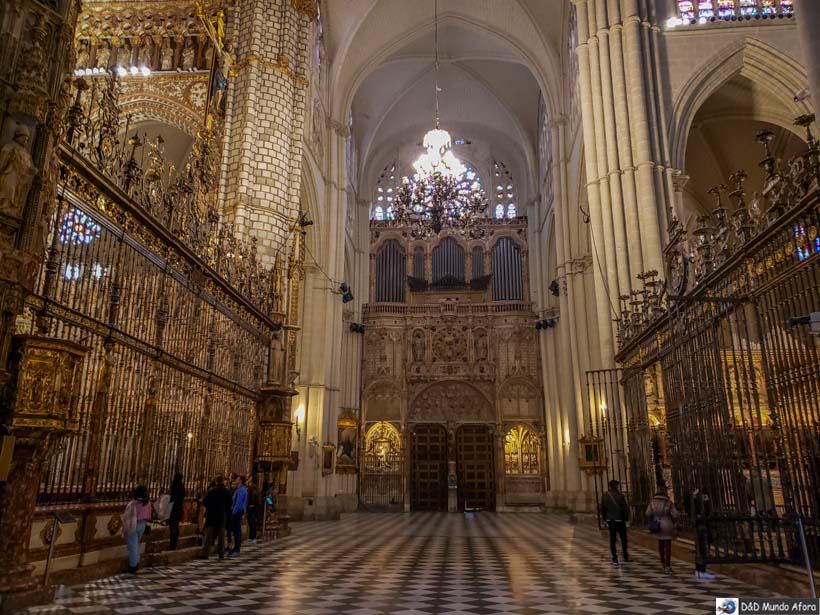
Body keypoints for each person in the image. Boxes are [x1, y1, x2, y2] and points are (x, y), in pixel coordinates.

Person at [646, 485, 678, 574]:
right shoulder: (669, 502)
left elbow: (648, 513)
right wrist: (673, 521)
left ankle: (663, 563)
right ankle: (668, 566)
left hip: (657, 524)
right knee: (668, 546)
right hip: (667, 524)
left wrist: (652, 520)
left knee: (660, 544)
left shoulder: (652, 502)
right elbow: (675, 514)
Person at [199, 475, 231, 560]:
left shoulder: (211, 491)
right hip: (221, 516)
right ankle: (221, 554)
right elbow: (229, 504)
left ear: (216, 481)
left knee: (208, 536)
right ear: (223, 481)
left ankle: (205, 553)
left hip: (212, 515)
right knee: (221, 537)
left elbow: (205, 502)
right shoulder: (227, 491)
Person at [122, 485, 152, 574]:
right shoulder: (148, 503)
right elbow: (149, 515)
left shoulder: (133, 503)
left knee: (132, 546)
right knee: (136, 544)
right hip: (142, 525)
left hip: (134, 525)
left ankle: (133, 566)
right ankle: (136, 562)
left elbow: (127, 515)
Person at [600, 479, 629, 566]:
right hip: (620, 520)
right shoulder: (620, 496)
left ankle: (614, 558)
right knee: (623, 538)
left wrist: (605, 519)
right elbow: (625, 508)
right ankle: (625, 556)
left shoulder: (605, 496)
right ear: (616, 486)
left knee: (612, 539)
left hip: (610, 520)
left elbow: (602, 508)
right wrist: (627, 519)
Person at [229, 475, 248, 556]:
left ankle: (236, 548)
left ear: (240, 481)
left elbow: (239, 504)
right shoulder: (241, 489)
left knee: (236, 531)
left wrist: (233, 512)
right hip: (239, 512)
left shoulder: (241, 490)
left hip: (237, 512)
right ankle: (235, 548)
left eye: (237, 479)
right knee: (237, 530)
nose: (235, 480)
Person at [168, 473, 185, 550]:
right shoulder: (182, 487)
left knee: (173, 527)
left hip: (173, 509)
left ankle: (172, 545)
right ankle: (174, 544)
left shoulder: (175, 487)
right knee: (175, 527)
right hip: (179, 509)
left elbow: (172, 499)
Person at [246, 478, 259, 543]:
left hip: (253, 509)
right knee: (250, 523)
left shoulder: (253, 490)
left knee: (252, 523)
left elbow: (256, 500)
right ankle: (251, 537)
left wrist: (252, 505)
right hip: (251, 508)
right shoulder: (250, 490)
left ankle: (253, 537)